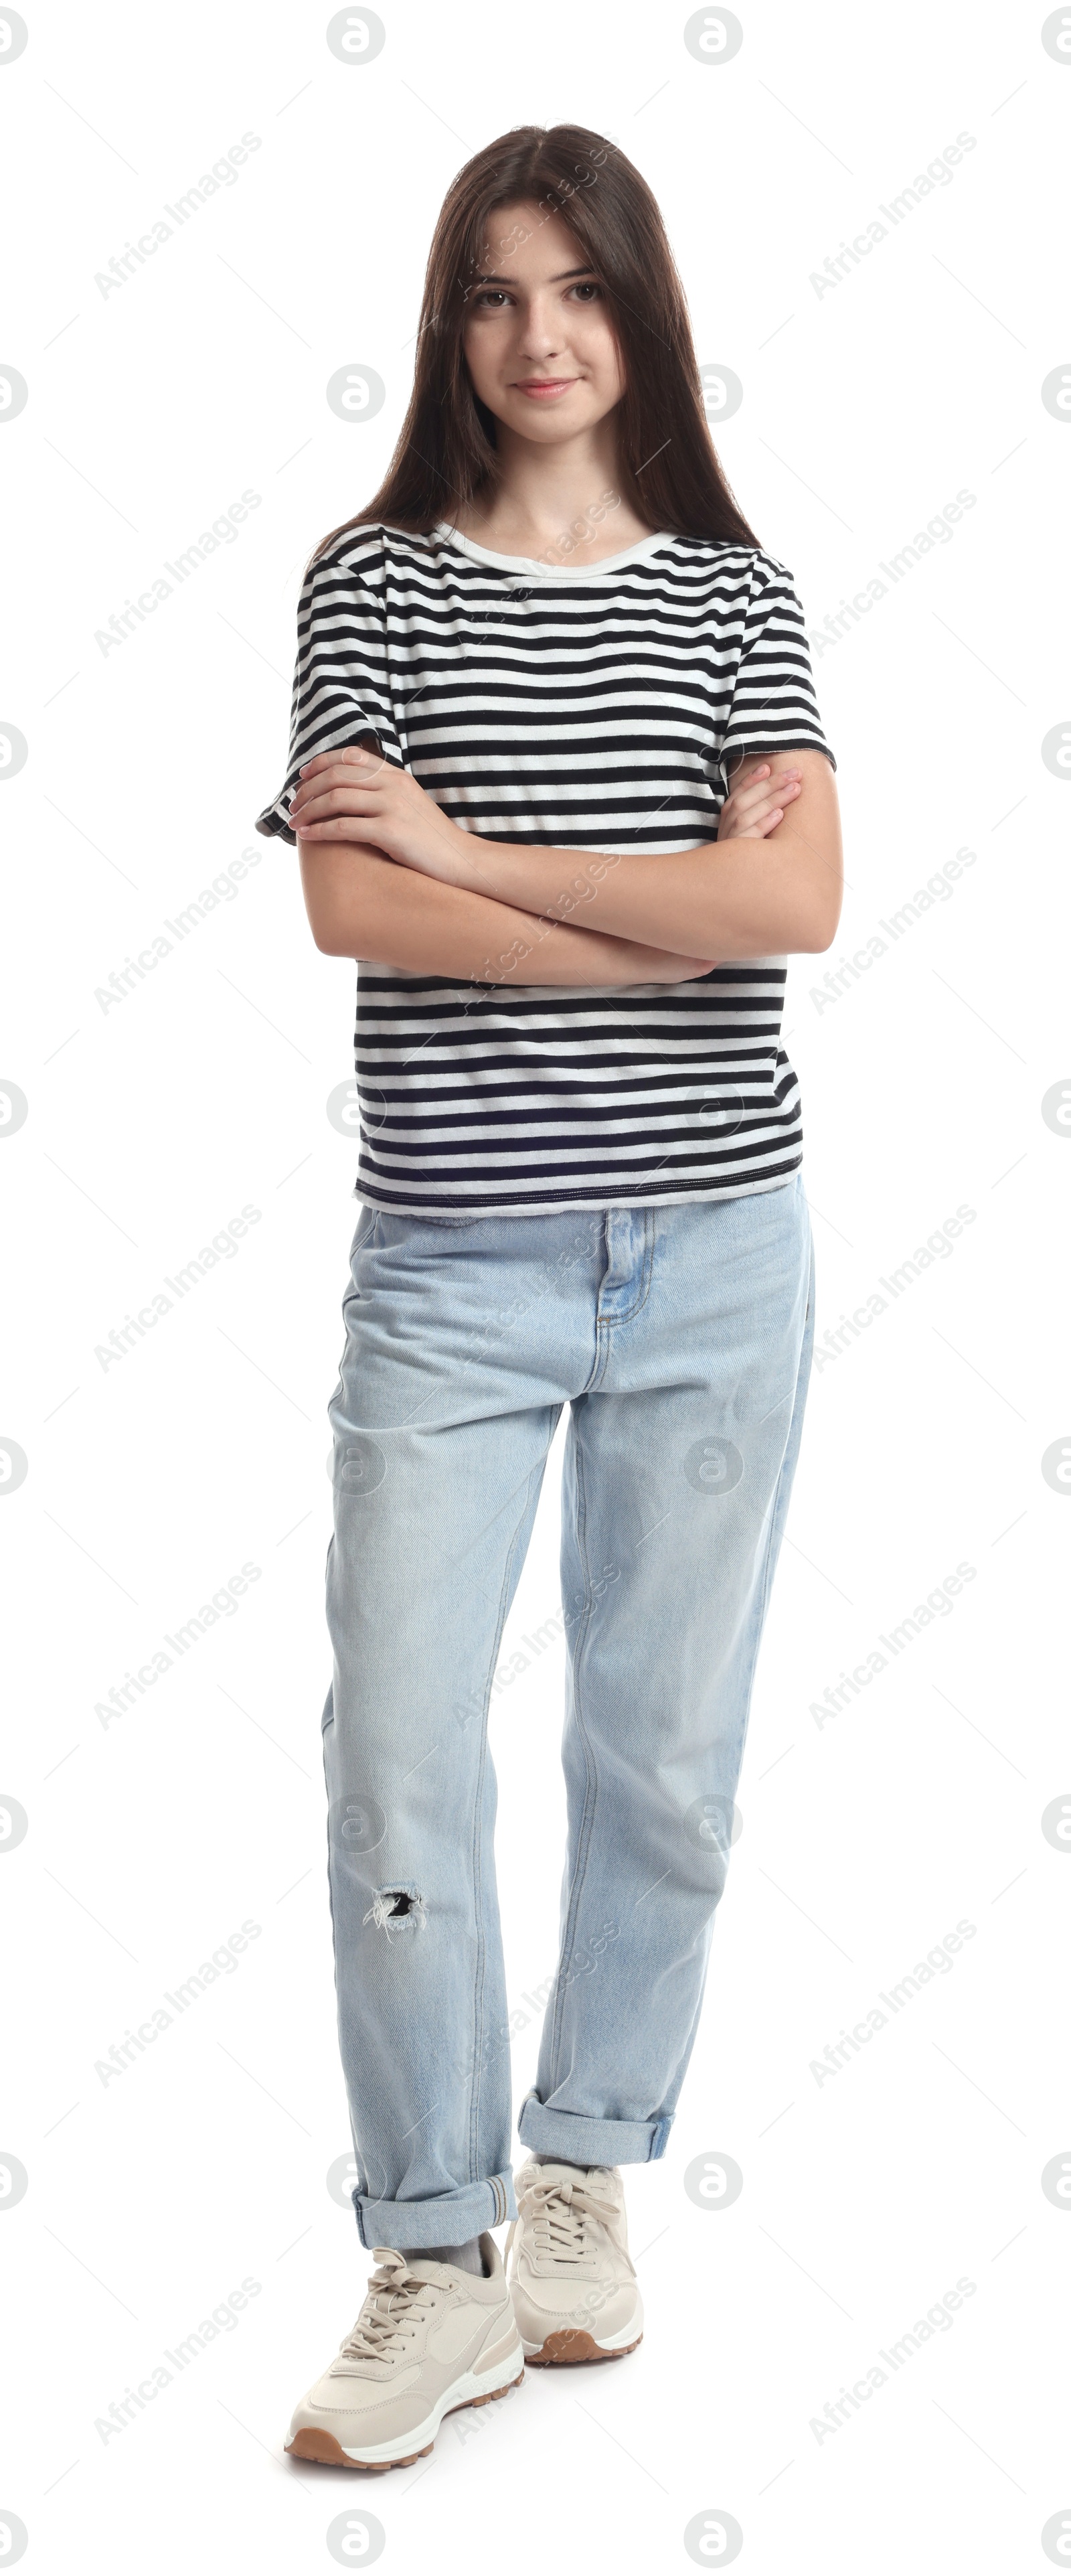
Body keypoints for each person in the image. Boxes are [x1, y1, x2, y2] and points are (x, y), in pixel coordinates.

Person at [256, 122, 842, 2473]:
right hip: (455, 1270)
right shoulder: (370, 585)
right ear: (453, 328)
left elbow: (794, 918)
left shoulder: (737, 592)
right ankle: (435, 2245)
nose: (539, 337)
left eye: (577, 289)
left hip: (718, 1253)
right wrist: (664, 897)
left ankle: (584, 2173)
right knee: (398, 1754)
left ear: (641, 311)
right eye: (495, 296)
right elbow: (348, 925)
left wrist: (481, 852)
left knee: (658, 1761)